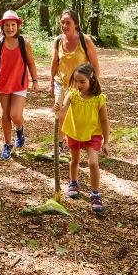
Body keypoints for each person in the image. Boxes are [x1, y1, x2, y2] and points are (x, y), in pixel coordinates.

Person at [55, 62, 110, 213]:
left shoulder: (99, 98)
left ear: (91, 79)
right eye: (75, 81)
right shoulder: (72, 95)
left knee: (93, 163)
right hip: (74, 132)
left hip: (93, 134)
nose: (78, 84)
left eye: (82, 81)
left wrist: (106, 141)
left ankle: (95, 194)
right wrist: (57, 109)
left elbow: (105, 120)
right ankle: (73, 183)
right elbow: (62, 112)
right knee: (75, 160)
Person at [0, 10, 39, 161]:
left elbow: (30, 62)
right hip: (3, 83)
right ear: (2, 27)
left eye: (13, 25)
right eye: (7, 25)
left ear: (18, 26)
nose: (10, 28)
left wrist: (35, 81)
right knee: (5, 115)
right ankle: (7, 144)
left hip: (19, 83)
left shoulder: (24, 43)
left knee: (15, 115)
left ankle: (19, 129)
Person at [49, 9, 100, 149]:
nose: (64, 26)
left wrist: (95, 86)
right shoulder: (58, 41)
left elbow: (95, 65)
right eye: (62, 22)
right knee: (61, 114)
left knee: (77, 116)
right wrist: (51, 84)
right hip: (61, 83)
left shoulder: (85, 41)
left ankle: (83, 142)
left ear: (76, 24)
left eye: (68, 23)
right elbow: (54, 63)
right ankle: (59, 145)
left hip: (79, 85)